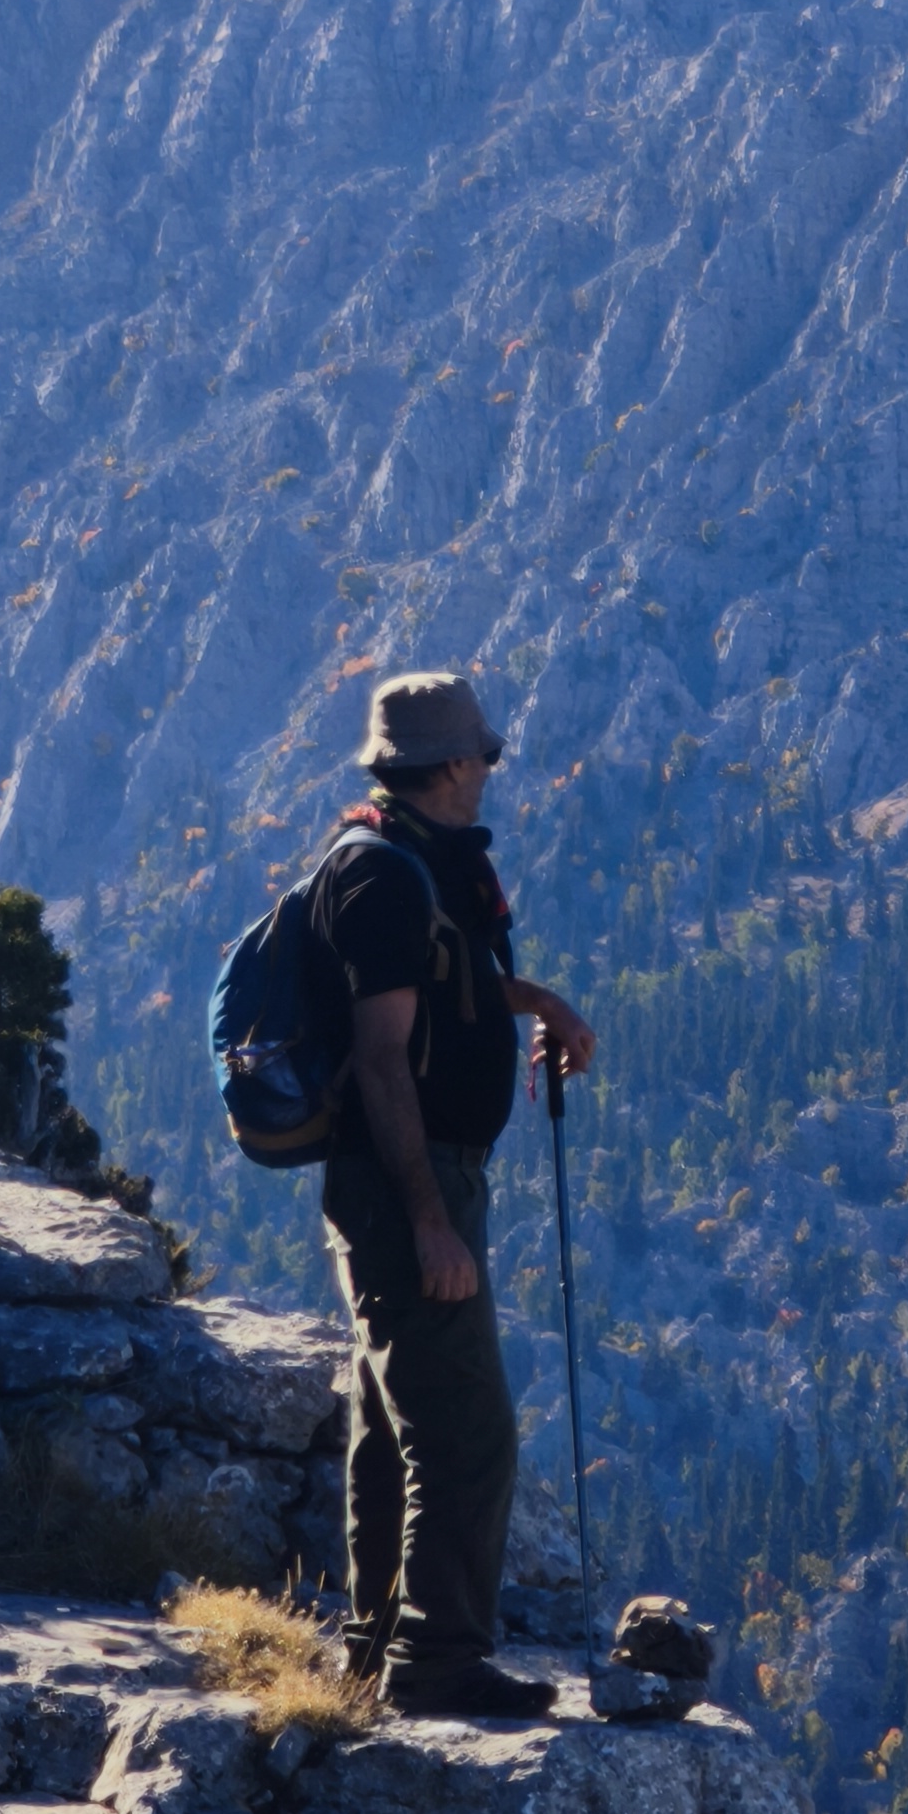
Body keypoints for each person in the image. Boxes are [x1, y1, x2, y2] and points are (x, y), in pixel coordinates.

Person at [315, 668, 594, 1719]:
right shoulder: (385, 877)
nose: (491, 767)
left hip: (417, 1180)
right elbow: (382, 1059)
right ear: (449, 765)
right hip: (405, 1186)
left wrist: (538, 1001)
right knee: (466, 1429)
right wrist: (431, 1221)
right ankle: (437, 1665)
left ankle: (376, 1647)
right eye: (483, 752)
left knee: (394, 1426)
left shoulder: (420, 863)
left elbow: (447, 982)